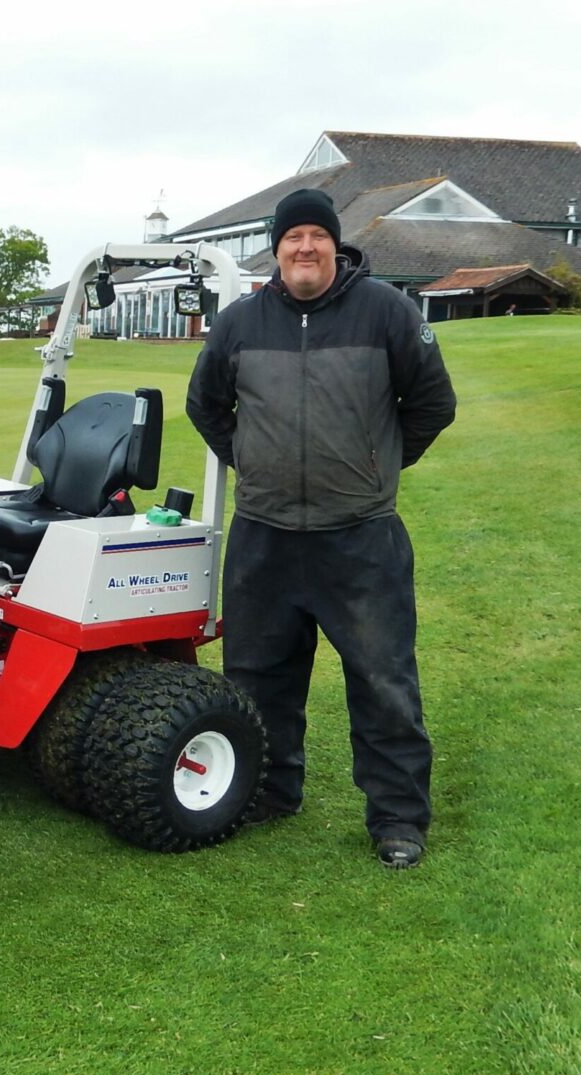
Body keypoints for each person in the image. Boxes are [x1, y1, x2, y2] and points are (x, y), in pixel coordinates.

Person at [187, 188, 457, 868]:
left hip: (359, 538)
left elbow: (432, 403)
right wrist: (252, 459)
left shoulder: (387, 311)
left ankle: (397, 819)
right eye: (292, 237)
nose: (304, 247)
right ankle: (270, 793)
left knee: (383, 683)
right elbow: (206, 405)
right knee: (258, 678)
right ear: (275, 250)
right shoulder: (241, 322)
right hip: (265, 537)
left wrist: (380, 465)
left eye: (316, 234)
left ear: (335, 243)